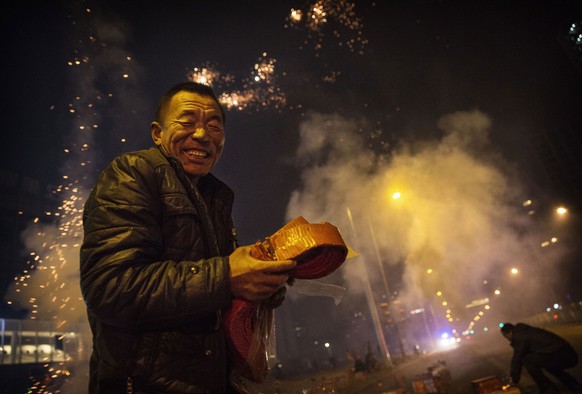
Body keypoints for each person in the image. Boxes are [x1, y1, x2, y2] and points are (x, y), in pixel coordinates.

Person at [80, 81, 296, 393]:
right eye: (187, 120)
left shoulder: (215, 197)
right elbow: (110, 287)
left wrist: (262, 282)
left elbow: (215, 295)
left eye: (214, 125)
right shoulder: (133, 172)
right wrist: (226, 275)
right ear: (157, 133)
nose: (202, 134)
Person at [500, 322, 581, 393]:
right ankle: (573, 384)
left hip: (563, 355)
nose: (508, 340)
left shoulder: (519, 337)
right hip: (565, 353)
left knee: (527, 359)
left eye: (506, 337)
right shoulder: (525, 331)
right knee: (547, 363)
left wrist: (514, 379)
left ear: (509, 333)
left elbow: (517, 358)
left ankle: (548, 389)